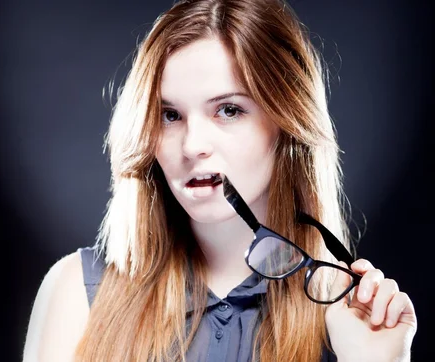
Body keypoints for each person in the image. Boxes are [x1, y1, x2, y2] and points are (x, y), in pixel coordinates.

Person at [22, 0, 417, 361]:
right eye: (170, 115)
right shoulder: (74, 294)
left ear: (287, 124)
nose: (193, 145)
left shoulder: (347, 320)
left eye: (228, 110)